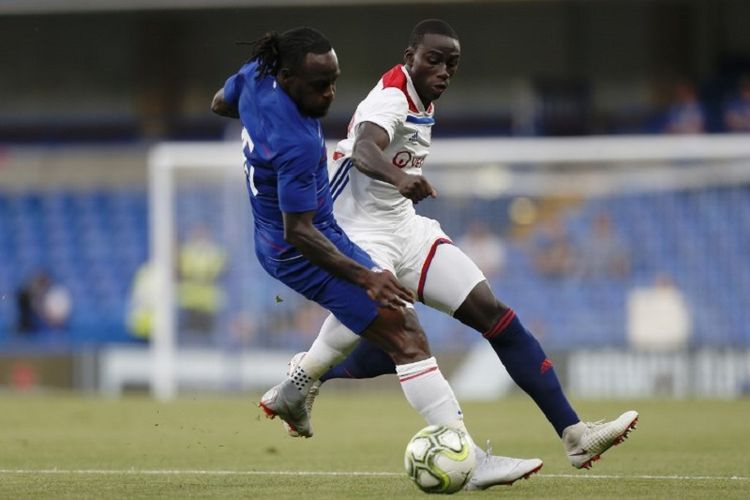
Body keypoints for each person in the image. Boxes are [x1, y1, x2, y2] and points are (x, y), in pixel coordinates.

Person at [285, 19, 638, 472]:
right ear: (410, 54)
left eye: (451, 63)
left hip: (404, 228)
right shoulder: (391, 97)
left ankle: (576, 435)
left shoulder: (422, 99)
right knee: (403, 341)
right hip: (360, 234)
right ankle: (311, 375)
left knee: (495, 317)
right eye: (433, 59)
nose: (443, 70)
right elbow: (363, 149)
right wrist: (400, 177)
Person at [211, 26, 541, 489]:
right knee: (406, 333)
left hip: (287, 235)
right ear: (286, 78)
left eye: (334, 81)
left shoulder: (254, 76)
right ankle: (465, 459)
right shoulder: (297, 144)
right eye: (317, 85)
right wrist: (367, 277)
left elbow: (220, 103)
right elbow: (300, 231)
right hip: (302, 247)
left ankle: (297, 386)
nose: (329, 94)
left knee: (391, 331)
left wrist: (258, 122)